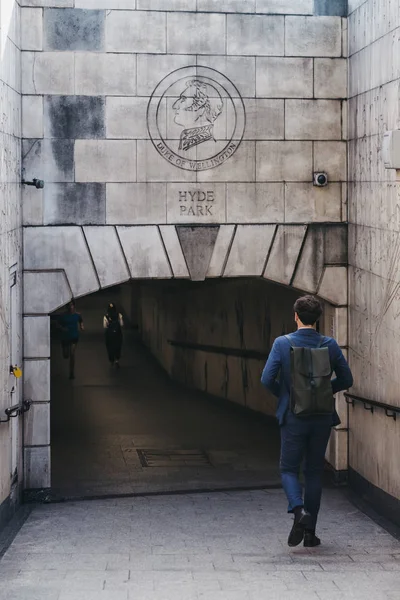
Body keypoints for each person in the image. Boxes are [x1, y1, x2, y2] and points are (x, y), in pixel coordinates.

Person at [261, 295, 353, 548]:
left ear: (295, 315)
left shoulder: (282, 344)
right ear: (318, 318)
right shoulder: (330, 345)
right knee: (314, 471)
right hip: (321, 418)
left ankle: (299, 510)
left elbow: (266, 379)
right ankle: (310, 535)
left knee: (289, 469)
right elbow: (347, 380)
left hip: (294, 417)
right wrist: (323, 390)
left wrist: (288, 394)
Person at [59, 300, 84, 380]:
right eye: (69, 306)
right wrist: (62, 328)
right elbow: (58, 323)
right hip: (65, 337)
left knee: (72, 354)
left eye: (72, 305)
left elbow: (81, 321)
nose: (70, 307)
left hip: (74, 336)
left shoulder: (77, 315)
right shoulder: (63, 316)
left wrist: (82, 326)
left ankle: (71, 372)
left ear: (74, 306)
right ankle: (65, 351)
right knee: (66, 355)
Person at [103, 303, 124, 368]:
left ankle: (111, 360)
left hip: (109, 335)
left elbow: (105, 326)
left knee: (110, 347)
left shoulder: (106, 316)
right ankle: (117, 360)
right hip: (117, 334)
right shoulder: (119, 315)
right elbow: (121, 324)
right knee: (117, 347)